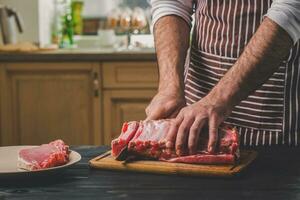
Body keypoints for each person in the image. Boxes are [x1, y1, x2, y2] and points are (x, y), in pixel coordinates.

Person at [146, 0, 300, 156]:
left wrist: (217, 100)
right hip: (194, 108)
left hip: (272, 122)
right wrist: (169, 87)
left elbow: (290, 11)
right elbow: (172, 3)